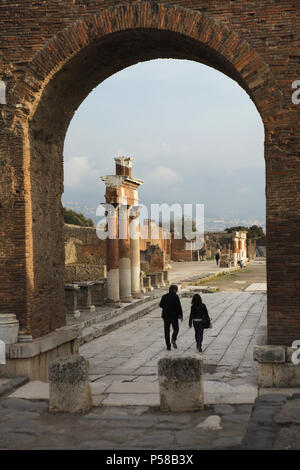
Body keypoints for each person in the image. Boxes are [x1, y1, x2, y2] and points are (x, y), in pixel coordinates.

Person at [159, 284, 183, 351]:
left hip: (166, 316)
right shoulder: (176, 297)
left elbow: (160, 305)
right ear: (175, 290)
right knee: (176, 329)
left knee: (166, 331)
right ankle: (173, 339)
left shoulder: (164, 296)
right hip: (174, 316)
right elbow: (179, 307)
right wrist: (181, 315)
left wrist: (166, 308)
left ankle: (168, 346)